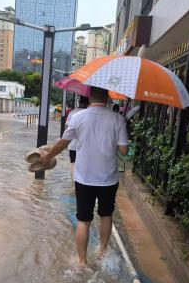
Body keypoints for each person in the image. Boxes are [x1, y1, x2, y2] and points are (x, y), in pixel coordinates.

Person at [41, 86, 128, 267]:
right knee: (105, 215)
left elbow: (63, 143)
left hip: (84, 178)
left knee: (83, 220)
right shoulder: (118, 119)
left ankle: (82, 262)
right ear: (108, 98)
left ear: (89, 98)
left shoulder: (77, 117)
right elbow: (124, 151)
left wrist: (48, 156)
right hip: (108, 179)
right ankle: (102, 252)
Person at [65, 95, 89, 176]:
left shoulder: (72, 112)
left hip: (72, 146)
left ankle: (74, 183)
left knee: (73, 164)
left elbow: (67, 129)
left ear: (79, 102)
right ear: (88, 103)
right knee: (84, 167)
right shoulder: (89, 114)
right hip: (85, 147)